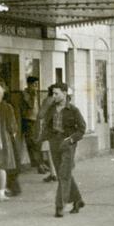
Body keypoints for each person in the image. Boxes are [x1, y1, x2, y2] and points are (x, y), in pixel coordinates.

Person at [41, 82, 86, 217]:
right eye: (53, 93)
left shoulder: (73, 110)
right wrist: (46, 137)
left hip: (68, 144)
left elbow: (82, 129)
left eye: (56, 93)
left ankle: (60, 206)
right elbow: (44, 122)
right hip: (54, 142)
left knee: (64, 174)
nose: (54, 96)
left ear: (65, 93)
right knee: (63, 173)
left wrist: (71, 140)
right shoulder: (51, 108)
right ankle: (78, 200)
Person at [20, 76, 47, 173]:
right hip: (28, 121)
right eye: (34, 85)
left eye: (37, 85)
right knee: (33, 143)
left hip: (36, 120)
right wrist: (33, 95)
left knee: (38, 142)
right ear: (29, 84)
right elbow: (30, 105)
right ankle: (38, 165)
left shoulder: (35, 93)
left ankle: (41, 163)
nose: (36, 87)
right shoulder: (25, 94)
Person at [37, 85, 58, 183]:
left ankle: (54, 173)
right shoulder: (62, 100)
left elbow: (40, 114)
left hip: (50, 127)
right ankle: (54, 173)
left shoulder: (49, 100)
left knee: (49, 150)